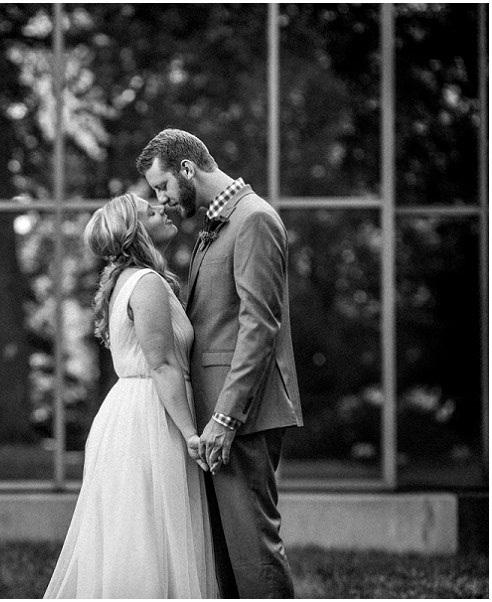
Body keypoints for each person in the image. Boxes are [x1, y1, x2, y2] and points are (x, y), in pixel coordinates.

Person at [137, 128, 304, 598]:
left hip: (242, 417)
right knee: (226, 562)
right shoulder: (215, 223)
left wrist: (226, 417)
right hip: (215, 416)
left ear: (188, 169)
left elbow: (259, 327)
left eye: (163, 186)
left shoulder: (254, 219)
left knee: (253, 556)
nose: (163, 200)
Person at [44, 193, 219, 599]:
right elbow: (163, 364)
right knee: (150, 532)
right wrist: (191, 434)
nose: (162, 209)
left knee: (141, 531)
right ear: (136, 232)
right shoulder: (146, 283)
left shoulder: (127, 280)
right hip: (152, 416)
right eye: (149, 211)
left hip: (131, 411)